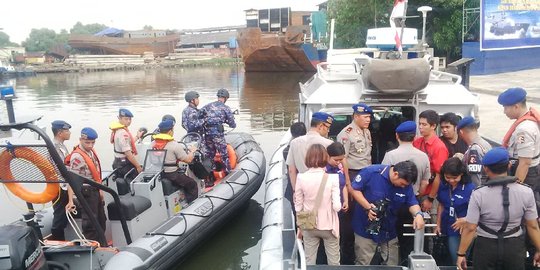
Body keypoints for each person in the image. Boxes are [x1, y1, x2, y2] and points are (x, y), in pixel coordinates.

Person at [457, 147, 540, 270]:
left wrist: (461, 254)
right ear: (508, 165)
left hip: (486, 247)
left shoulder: (479, 194)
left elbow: (470, 228)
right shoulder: (526, 191)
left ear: (485, 168)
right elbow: (532, 226)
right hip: (514, 247)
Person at [350, 160, 425, 266]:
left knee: (392, 264)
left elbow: (412, 202)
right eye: (402, 183)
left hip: (388, 231)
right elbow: (354, 189)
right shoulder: (371, 172)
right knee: (363, 263)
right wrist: (367, 207)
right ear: (396, 174)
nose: (403, 186)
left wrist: (418, 214)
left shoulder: (406, 185)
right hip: (366, 228)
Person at [381, 120, 431, 265]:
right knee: (411, 241)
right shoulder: (423, 156)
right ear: (414, 136)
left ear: (397, 136)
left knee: (391, 239)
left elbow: (385, 178)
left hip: (393, 205)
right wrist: (418, 197)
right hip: (413, 203)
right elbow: (425, 182)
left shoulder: (390, 155)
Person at [294, 144, 341, 265]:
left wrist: (300, 226)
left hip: (309, 224)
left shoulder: (300, 177)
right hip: (329, 226)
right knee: (334, 261)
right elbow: (337, 206)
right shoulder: (333, 178)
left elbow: (298, 205)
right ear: (325, 158)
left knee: (309, 260)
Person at [65, 128, 106, 241]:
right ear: (80, 140)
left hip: (95, 190)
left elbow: (96, 175)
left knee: (101, 220)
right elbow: (72, 180)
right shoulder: (77, 157)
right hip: (87, 192)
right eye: (87, 142)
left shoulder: (90, 152)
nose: (90, 145)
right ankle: (90, 245)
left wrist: (100, 191)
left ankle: (101, 243)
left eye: (93, 142)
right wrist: (70, 200)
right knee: (90, 223)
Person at [434, 157, 475, 266]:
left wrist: (466, 220)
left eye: (455, 178)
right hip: (446, 225)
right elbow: (441, 204)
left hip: (462, 229)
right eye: (448, 177)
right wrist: (438, 225)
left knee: (458, 258)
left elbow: (478, 211)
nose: (451, 180)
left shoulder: (470, 188)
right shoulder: (444, 185)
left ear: (462, 174)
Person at [498, 87, 539, 190]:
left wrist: (516, 189)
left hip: (526, 175)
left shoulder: (524, 129)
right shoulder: (526, 121)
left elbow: (525, 162)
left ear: (516, 107)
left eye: (506, 108)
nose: (504, 112)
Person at [286, 112, 334, 194]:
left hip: (302, 187)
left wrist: (295, 190)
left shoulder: (294, 142)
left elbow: (291, 170)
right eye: (328, 127)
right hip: (322, 187)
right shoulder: (328, 143)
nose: (328, 131)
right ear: (320, 126)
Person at [152, 119, 199, 203]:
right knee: (192, 184)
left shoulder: (153, 143)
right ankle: (192, 204)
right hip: (172, 175)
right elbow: (188, 160)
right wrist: (192, 151)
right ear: (170, 131)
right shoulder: (174, 145)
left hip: (159, 174)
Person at [413, 110, 449, 212]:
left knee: (431, 224)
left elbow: (439, 175)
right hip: (416, 192)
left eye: (424, 124)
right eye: (419, 124)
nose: (420, 127)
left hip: (430, 193)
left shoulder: (439, 147)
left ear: (433, 126)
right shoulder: (417, 142)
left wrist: (430, 198)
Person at [326, 142, 354, 265]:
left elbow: (343, 185)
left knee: (344, 234)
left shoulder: (340, 167)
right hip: (329, 209)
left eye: (341, 160)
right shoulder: (323, 169)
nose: (339, 162)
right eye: (336, 160)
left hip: (341, 207)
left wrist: (346, 200)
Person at [200, 88, 236, 172]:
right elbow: (232, 123)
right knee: (224, 154)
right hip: (218, 135)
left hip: (207, 134)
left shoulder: (207, 106)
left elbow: (199, 116)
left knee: (209, 154)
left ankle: (209, 174)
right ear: (226, 98)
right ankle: (228, 173)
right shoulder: (226, 108)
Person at [337, 103, 373, 181]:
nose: (368, 120)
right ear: (356, 117)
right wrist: (347, 180)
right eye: (365, 117)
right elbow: (342, 158)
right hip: (353, 172)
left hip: (367, 170)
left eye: (369, 117)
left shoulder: (366, 131)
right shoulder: (346, 133)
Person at [50, 120, 72, 240]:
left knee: (61, 213)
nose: (69, 133)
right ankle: (57, 241)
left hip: (64, 184)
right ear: (59, 133)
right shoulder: (54, 147)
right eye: (67, 130)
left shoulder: (60, 145)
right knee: (59, 214)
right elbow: (61, 168)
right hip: (59, 186)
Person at [457, 116, 492, 186]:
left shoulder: (474, 149)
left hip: (480, 190)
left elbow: (475, 178)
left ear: (461, 132)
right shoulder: (485, 143)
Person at [110, 108, 143, 179]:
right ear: (119, 118)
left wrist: (137, 136)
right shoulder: (122, 133)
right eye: (126, 119)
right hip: (124, 165)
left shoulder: (116, 130)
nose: (128, 121)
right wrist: (138, 166)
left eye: (130, 119)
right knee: (131, 183)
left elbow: (127, 144)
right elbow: (128, 153)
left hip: (117, 162)